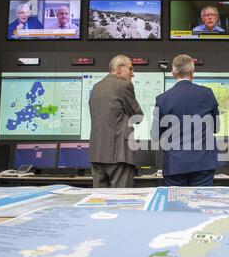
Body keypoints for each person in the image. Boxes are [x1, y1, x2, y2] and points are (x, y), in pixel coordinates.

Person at [151, 55, 221, 186]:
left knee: (175, 205)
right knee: (201, 203)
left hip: (175, 164)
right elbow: (216, 128)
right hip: (203, 164)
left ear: (173, 73)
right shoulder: (207, 93)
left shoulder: (162, 99)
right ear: (192, 72)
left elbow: (155, 135)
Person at [89, 55, 144, 188]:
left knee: (99, 200)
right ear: (120, 68)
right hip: (119, 154)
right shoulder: (124, 86)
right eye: (130, 69)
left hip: (97, 154)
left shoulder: (96, 87)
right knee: (121, 200)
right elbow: (138, 116)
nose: (133, 74)